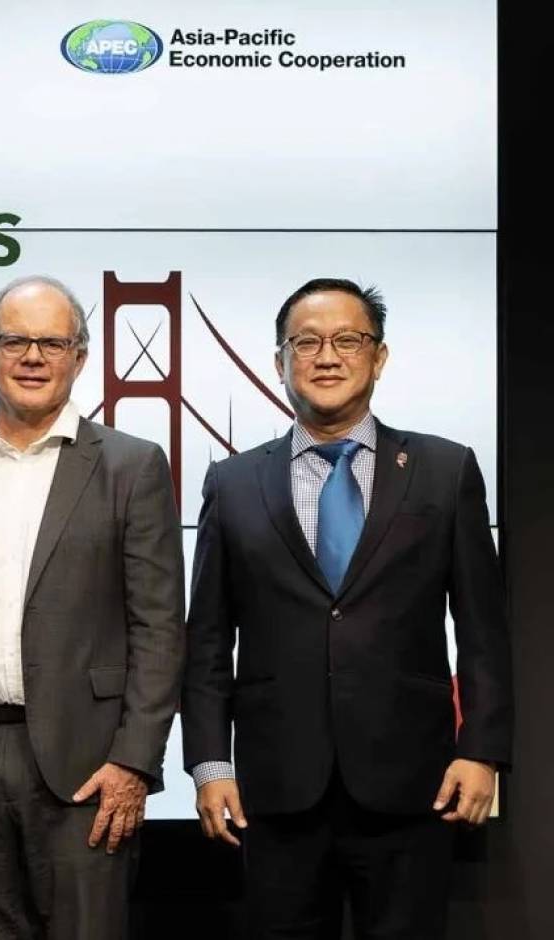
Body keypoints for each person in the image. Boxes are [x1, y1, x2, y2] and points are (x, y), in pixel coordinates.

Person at [183, 278, 512, 938]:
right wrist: (210, 764)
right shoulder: (234, 482)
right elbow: (209, 642)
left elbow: (483, 632)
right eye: (305, 342)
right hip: (277, 790)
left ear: (379, 357)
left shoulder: (445, 471)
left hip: (413, 784)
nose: (326, 356)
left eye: (347, 340)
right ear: (279, 362)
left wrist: (482, 751)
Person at [0, 275, 186, 940]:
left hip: (89, 769)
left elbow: (159, 628)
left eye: (51, 342)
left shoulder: (133, 466)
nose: (32, 356)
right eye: (15, 341)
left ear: (80, 357)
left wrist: (134, 763)